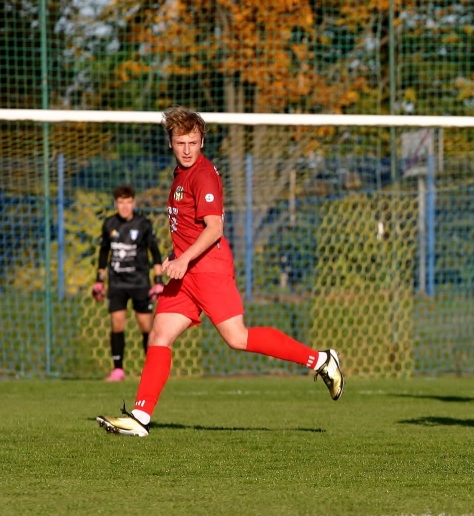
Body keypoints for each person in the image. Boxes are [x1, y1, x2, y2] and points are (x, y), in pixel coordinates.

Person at [96, 106, 345, 437]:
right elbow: (189, 227)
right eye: (181, 142)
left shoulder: (202, 175)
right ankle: (140, 418)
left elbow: (214, 229)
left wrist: (183, 260)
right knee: (159, 335)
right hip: (187, 273)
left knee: (237, 337)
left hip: (208, 269)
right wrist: (176, 255)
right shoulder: (181, 174)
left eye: (193, 142)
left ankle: (321, 360)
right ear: (170, 142)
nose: (187, 149)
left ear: (202, 141)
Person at [92, 184, 164, 382]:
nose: (124, 207)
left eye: (128, 202)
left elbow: (155, 253)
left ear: (134, 203)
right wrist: (99, 280)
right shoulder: (109, 224)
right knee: (117, 323)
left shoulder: (143, 224)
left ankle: (151, 370)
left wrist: (158, 280)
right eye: (121, 202)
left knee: (146, 326)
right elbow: (104, 253)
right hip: (117, 283)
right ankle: (118, 370)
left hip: (140, 282)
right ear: (115, 203)